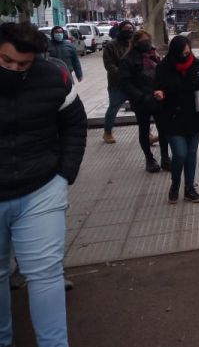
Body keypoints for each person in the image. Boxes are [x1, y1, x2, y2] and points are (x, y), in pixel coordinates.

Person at [0, 22, 87, 346]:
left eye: (22, 65)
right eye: (5, 61)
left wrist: (65, 175)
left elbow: (75, 124)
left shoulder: (53, 77)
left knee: (46, 276)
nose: (13, 69)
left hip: (41, 190)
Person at [154, 36, 199, 204]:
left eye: (188, 50)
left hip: (193, 117)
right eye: (183, 51)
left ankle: (189, 188)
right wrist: (158, 93)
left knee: (191, 155)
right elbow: (156, 86)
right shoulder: (164, 67)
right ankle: (175, 184)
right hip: (172, 118)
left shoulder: (197, 65)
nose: (186, 53)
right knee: (180, 154)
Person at [119, 30, 171, 173]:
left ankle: (165, 157)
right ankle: (149, 159)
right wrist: (141, 97)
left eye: (148, 40)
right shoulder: (127, 60)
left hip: (158, 97)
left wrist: (162, 91)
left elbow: (162, 75)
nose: (146, 44)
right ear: (135, 43)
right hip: (141, 100)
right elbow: (126, 83)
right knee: (144, 129)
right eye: (143, 41)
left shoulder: (154, 56)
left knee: (163, 128)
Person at [102, 20, 135, 144]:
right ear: (120, 30)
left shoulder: (134, 44)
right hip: (117, 84)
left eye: (131, 28)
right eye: (126, 28)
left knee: (140, 109)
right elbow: (109, 64)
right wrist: (122, 73)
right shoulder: (111, 45)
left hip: (133, 83)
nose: (129, 31)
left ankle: (147, 133)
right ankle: (107, 132)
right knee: (113, 108)